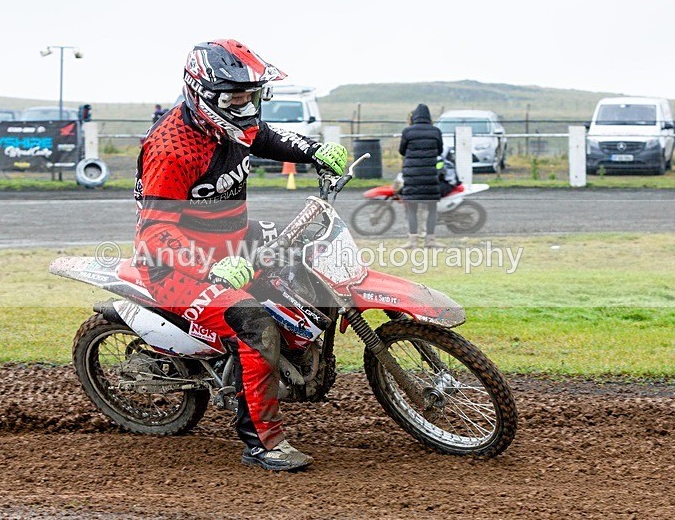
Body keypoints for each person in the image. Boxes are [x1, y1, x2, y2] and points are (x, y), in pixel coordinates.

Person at [133, 39, 348, 471]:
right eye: (235, 97)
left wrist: (311, 150)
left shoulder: (230, 121)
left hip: (232, 242)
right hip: (176, 266)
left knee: (303, 264)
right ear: (203, 93)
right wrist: (211, 266)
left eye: (251, 95)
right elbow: (154, 233)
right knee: (257, 326)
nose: (246, 105)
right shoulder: (172, 150)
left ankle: (290, 364)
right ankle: (262, 443)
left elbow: (261, 137)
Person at [398, 104, 443, 248]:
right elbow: (440, 151)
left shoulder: (407, 131)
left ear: (414, 117)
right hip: (430, 175)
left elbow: (402, 151)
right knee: (432, 208)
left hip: (412, 176)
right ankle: (430, 241)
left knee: (412, 209)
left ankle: (413, 241)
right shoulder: (435, 131)